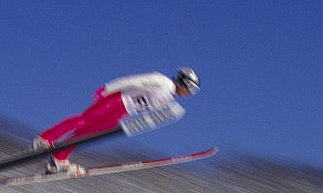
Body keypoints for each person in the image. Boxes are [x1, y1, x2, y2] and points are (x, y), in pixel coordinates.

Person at [32, 67, 200, 174]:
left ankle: (59, 158)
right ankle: (45, 139)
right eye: (190, 88)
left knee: (87, 134)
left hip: (123, 112)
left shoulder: (169, 98)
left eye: (193, 91)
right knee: (84, 121)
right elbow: (132, 81)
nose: (189, 93)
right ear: (183, 82)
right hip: (116, 102)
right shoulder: (162, 82)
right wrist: (107, 89)